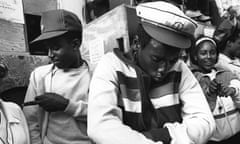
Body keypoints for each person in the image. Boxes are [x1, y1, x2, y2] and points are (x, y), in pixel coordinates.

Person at [87, 1, 215, 144]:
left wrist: (162, 135)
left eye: (172, 60)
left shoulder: (179, 68)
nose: (163, 68)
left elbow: (205, 122)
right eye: (156, 59)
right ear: (137, 44)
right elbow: (100, 126)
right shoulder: (112, 65)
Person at [23, 9, 92, 144]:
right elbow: (31, 120)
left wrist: (66, 105)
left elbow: (104, 116)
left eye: (55, 47)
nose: (49, 54)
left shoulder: (96, 74)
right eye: (47, 48)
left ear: (75, 44)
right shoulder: (40, 76)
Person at [189, 36, 240, 144]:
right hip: (212, 140)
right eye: (203, 53)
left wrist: (233, 91)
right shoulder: (192, 80)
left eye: (212, 53)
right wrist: (209, 94)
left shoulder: (226, 74)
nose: (208, 57)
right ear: (195, 56)